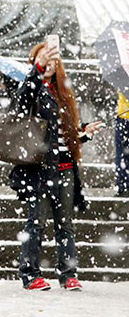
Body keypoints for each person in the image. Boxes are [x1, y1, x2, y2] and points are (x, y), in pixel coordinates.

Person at [10, 41, 103, 291]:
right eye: (43, 58)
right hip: (40, 169)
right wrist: (38, 70)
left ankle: (68, 273)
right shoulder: (31, 89)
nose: (49, 62)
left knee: (66, 225)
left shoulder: (62, 92)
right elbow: (23, 100)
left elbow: (64, 136)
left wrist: (83, 132)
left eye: (52, 58)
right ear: (35, 63)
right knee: (36, 223)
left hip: (64, 169)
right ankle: (30, 274)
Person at [115, 90, 129, 196]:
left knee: (121, 154)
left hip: (123, 116)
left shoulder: (123, 75)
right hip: (123, 116)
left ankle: (122, 185)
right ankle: (123, 185)